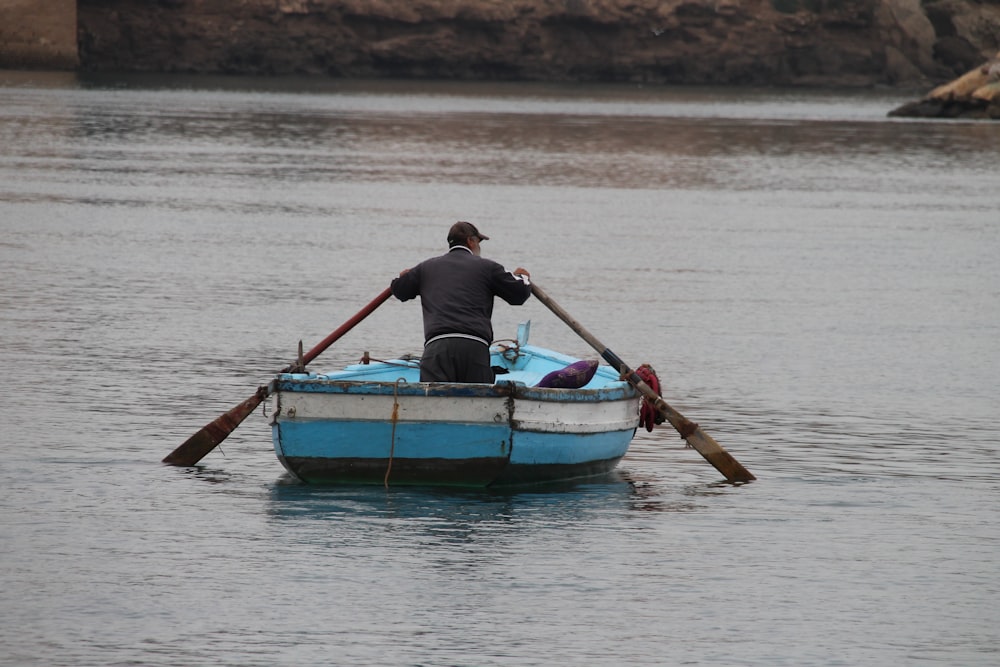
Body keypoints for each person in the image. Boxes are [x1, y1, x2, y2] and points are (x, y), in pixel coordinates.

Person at [391, 221, 532, 383]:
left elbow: (399, 290)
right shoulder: (488, 267)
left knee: (434, 402)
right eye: (479, 243)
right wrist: (523, 277)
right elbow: (520, 294)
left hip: (436, 348)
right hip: (474, 349)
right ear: (470, 242)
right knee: (477, 403)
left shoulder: (425, 268)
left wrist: (402, 278)